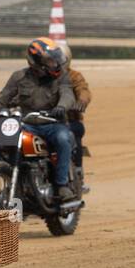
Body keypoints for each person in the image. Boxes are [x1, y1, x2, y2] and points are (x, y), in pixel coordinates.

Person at [0, 37, 77, 203]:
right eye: (50, 60)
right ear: (36, 61)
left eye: (55, 59)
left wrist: (62, 107)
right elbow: (1, 98)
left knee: (63, 139)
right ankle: (4, 176)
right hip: (26, 124)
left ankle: (61, 184)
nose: (54, 64)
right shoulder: (19, 77)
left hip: (51, 123)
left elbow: (67, 94)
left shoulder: (61, 77)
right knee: (4, 140)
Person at [54, 39, 92, 191]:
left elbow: (84, 90)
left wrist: (81, 102)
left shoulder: (74, 76)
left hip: (68, 120)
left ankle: (77, 175)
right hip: (41, 120)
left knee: (72, 135)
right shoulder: (40, 76)